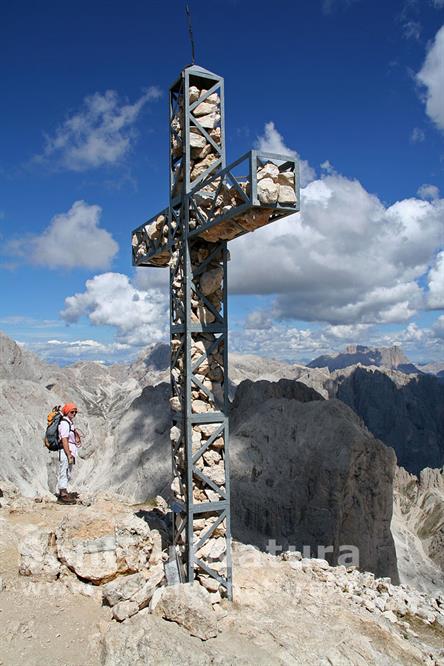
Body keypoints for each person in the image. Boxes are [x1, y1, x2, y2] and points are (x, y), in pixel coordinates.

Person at [57, 402, 81, 504]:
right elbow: (64, 439)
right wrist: (69, 454)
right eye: (72, 411)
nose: (74, 413)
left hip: (70, 451)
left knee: (67, 471)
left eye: (75, 412)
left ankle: (65, 491)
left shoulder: (69, 422)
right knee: (64, 470)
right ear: (67, 411)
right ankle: (63, 495)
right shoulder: (64, 423)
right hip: (66, 451)